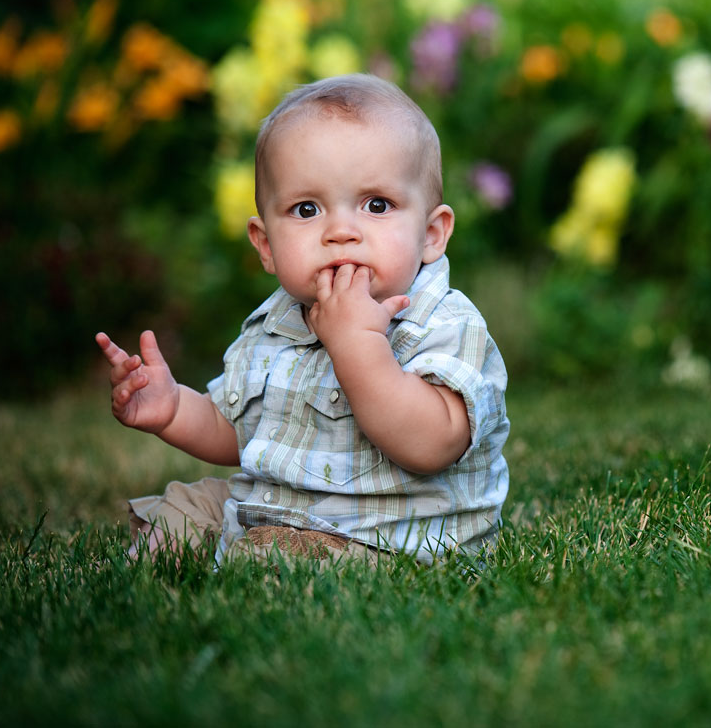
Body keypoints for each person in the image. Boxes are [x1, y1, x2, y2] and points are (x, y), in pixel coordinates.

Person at [95, 73, 509, 566]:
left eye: (377, 205)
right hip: (282, 505)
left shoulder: (446, 324)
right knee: (192, 503)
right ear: (266, 245)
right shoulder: (275, 323)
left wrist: (357, 344)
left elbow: (433, 444)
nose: (340, 231)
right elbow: (240, 433)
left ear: (431, 234)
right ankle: (164, 559)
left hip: (390, 534)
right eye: (306, 209)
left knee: (280, 555)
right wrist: (173, 410)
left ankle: (250, 558)